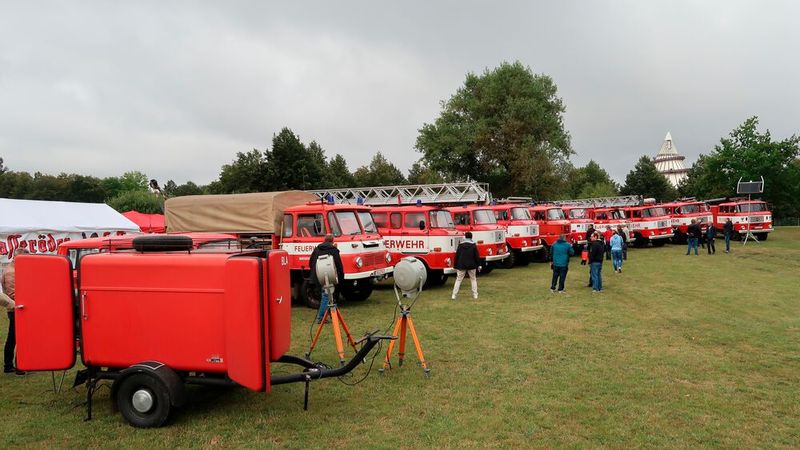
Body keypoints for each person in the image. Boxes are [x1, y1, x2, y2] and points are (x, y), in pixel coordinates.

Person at [2, 249, 28, 375]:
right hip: (16, 308)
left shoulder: (10, 269)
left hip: (14, 307)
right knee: (19, 337)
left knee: (13, 337)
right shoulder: (12, 272)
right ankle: (19, 366)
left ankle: (9, 365)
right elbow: (13, 293)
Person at [309, 234, 344, 324]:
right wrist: (341, 275)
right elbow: (339, 265)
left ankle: (333, 316)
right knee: (327, 296)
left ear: (324, 240)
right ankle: (320, 318)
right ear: (332, 241)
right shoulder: (333, 250)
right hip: (329, 276)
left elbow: (310, 262)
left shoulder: (317, 249)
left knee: (329, 296)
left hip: (318, 276)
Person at [451, 231, 480, 300]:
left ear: (465, 237)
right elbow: (476, 256)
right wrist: (479, 265)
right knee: (473, 279)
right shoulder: (473, 245)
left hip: (461, 264)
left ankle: (454, 295)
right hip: (472, 264)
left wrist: (455, 265)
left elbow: (457, 256)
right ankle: (475, 295)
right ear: (471, 237)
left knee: (458, 280)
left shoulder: (460, 245)